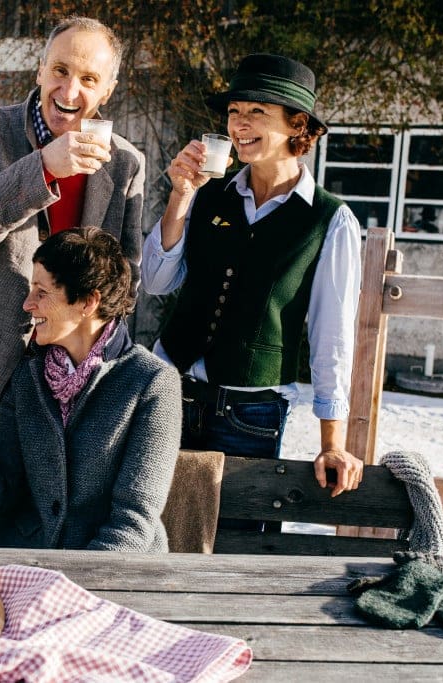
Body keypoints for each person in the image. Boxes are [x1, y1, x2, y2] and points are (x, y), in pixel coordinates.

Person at [142, 54, 364, 499]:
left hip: (252, 412)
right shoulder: (206, 194)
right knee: (153, 535)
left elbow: (332, 337)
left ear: (297, 125)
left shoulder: (330, 220)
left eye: (257, 112)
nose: (239, 123)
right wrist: (180, 197)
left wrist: (332, 443)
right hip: (170, 393)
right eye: (234, 112)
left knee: (235, 543)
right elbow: (156, 281)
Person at [0, 15, 145, 435]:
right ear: (41, 69)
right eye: (60, 71)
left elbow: (126, 281)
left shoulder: (124, 162)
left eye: (89, 78)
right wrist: (43, 169)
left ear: (108, 90)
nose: (70, 91)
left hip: (75, 382)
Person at [0, 228, 180, 551]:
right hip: (34, 565)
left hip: (112, 574)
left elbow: (132, 526)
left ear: (87, 302)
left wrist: (66, 590)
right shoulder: (28, 376)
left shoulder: (151, 383)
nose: (27, 304)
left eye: (41, 292)